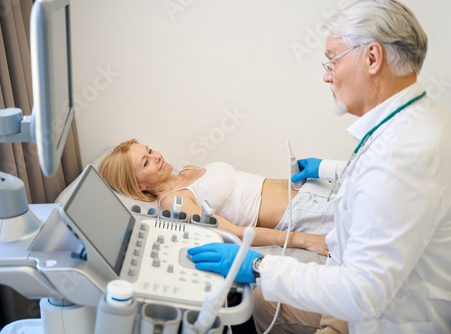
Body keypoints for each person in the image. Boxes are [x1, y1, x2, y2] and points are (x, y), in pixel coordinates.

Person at [188, 1, 451, 333]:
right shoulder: (417, 120)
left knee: (248, 302)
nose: (326, 75)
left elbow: (362, 295)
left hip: (379, 316)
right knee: (258, 303)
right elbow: (371, 176)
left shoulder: (401, 155)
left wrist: (258, 266)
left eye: (332, 60)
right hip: (360, 284)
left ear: (372, 58)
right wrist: (323, 167)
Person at [98, 139, 335, 255]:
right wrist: (305, 240)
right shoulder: (173, 202)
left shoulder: (186, 173)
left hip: (312, 189)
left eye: (149, 150)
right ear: (139, 186)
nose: (156, 156)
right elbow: (236, 233)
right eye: (146, 162)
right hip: (306, 212)